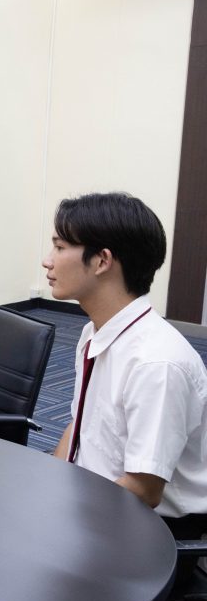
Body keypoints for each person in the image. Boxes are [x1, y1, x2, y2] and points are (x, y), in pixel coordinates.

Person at [43, 193, 207, 569]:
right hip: (95, 500)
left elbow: (143, 491)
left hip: (148, 532)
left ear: (102, 261)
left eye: (60, 247)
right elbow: (78, 424)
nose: (48, 260)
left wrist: (58, 521)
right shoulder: (95, 332)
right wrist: (49, 485)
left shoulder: (156, 363)